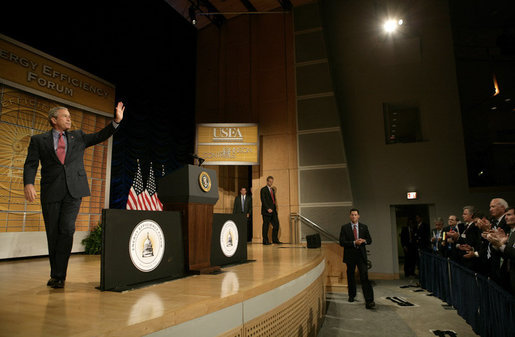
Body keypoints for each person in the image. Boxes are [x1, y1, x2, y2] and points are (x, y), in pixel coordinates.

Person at [23, 102, 125, 288]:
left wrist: (116, 122)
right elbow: (30, 164)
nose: (69, 118)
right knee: (53, 233)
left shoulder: (78, 136)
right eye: (65, 116)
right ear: (54, 120)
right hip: (51, 191)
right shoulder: (38, 140)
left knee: (67, 229)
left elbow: (99, 136)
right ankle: (57, 275)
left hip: (74, 191)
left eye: (70, 115)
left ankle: (60, 275)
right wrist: (28, 183)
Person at [339, 208, 375, 309]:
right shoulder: (344, 227)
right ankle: (351, 295)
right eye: (352, 215)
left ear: (358, 216)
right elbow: (342, 242)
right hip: (350, 255)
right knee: (350, 276)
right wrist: (354, 242)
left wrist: (364, 241)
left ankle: (369, 300)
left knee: (365, 277)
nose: (354, 216)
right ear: (350, 216)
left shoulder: (364, 227)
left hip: (361, 256)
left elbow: (370, 240)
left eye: (355, 215)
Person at [488, 207, 515, 294]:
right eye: (505, 215)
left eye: (509, 215)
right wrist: (498, 244)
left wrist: (500, 244)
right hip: (506, 275)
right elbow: (505, 253)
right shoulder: (509, 232)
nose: (506, 217)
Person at [260, 176, 281, 245]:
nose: (271, 183)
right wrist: (267, 208)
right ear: (267, 181)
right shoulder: (263, 189)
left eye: (272, 182)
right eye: (270, 181)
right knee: (266, 226)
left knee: (276, 225)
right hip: (266, 211)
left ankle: (275, 240)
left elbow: (273, 200)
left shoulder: (272, 190)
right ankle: (265, 241)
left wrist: (275, 209)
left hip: (273, 211)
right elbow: (263, 200)